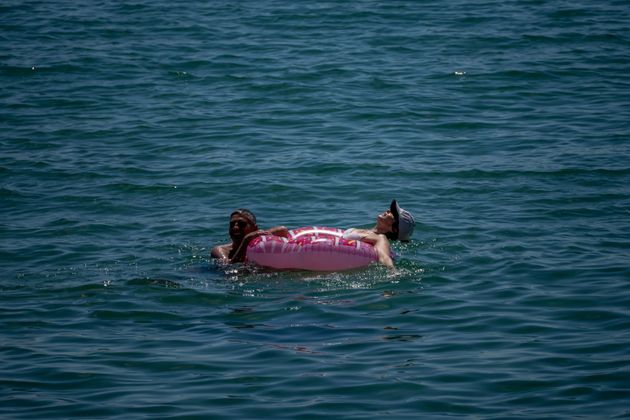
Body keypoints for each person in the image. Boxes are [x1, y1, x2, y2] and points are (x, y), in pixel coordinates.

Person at [341, 199, 416, 268]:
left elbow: (384, 256)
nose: (388, 210)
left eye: (393, 213)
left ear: (394, 229)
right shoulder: (369, 232)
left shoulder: (381, 238)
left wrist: (392, 271)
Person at [211, 208, 288, 264]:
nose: (235, 227)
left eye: (242, 224)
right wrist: (246, 240)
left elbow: (282, 230)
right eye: (232, 224)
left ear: (255, 228)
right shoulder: (220, 250)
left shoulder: (259, 240)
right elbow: (229, 268)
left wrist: (257, 235)